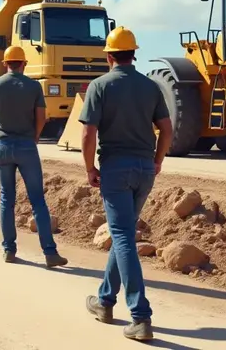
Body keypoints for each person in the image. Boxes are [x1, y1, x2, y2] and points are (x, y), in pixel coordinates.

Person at [78, 26, 173, 342]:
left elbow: (88, 134)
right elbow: (167, 129)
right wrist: (157, 161)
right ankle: (105, 302)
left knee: (122, 237)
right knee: (123, 235)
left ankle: (140, 317)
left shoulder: (99, 86)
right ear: (134, 54)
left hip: (115, 170)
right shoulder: (150, 86)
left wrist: (90, 167)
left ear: (108, 56)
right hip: (145, 169)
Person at [0, 46, 68, 268]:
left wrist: (1, 132)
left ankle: (9, 250)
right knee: (37, 200)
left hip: (3, 146)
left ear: (5, 63)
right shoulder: (33, 86)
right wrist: (35, 136)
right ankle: (49, 253)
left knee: (6, 199)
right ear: (24, 64)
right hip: (27, 146)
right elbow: (41, 116)